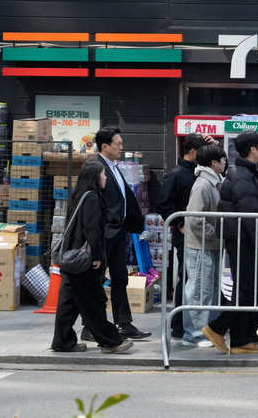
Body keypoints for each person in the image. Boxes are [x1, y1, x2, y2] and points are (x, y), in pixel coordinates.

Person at [202, 131, 258, 354]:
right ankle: (216, 328)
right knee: (245, 291)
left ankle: (241, 340)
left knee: (246, 291)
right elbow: (250, 212)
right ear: (253, 149)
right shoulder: (242, 174)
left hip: (244, 238)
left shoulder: (247, 172)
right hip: (242, 240)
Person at [52, 161, 133, 354]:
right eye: (103, 175)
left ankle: (62, 341)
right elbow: (92, 230)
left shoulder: (79, 195)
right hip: (84, 260)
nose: (105, 178)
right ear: (95, 177)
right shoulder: (92, 198)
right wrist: (96, 256)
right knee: (94, 301)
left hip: (71, 259)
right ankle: (110, 341)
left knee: (69, 303)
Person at [85, 127, 149, 342]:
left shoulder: (114, 166)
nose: (121, 148)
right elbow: (91, 200)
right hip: (104, 232)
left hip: (119, 231)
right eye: (118, 144)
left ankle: (124, 322)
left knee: (120, 278)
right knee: (96, 279)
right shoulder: (95, 167)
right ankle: (90, 326)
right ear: (105, 146)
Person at [177, 144, 226, 347]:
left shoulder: (212, 182)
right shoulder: (203, 185)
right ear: (213, 163)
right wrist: (214, 235)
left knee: (208, 290)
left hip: (210, 245)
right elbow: (195, 219)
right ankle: (194, 334)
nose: (225, 162)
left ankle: (205, 331)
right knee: (198, 290)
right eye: (222, 159)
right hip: (200, 246)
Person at [158, 133, 215, 307]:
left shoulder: (201, 171)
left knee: (201, 274)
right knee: (188, 275)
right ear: (192, 151)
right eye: (202, 152)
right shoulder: (176, 175)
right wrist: (180, 224)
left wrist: (215, 146)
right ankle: (179, 321)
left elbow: (221, 167)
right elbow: (162, 204)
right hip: (185, 234)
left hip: (202, 231)